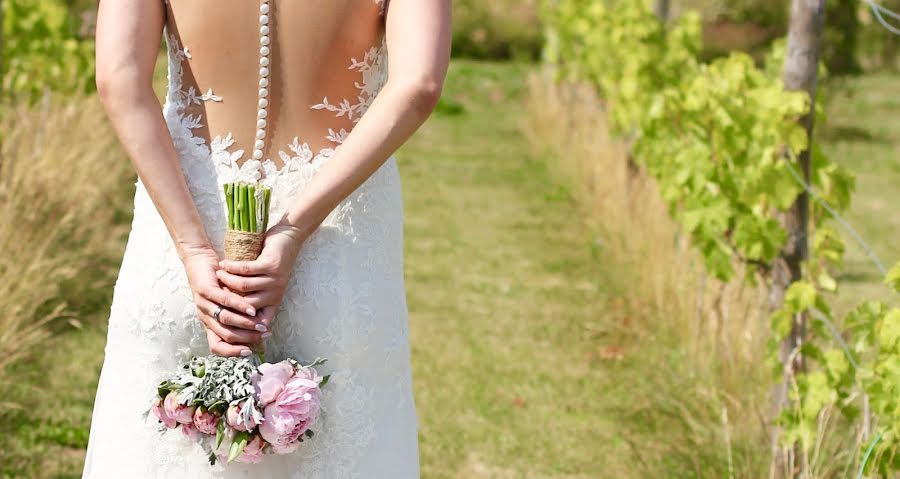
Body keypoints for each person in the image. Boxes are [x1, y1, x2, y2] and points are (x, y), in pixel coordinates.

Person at [82, 0, 450, 476]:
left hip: (185, 242)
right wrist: (293, 228)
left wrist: (193, 249)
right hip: (334, 246)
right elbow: (419, 85)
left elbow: (119, 78)